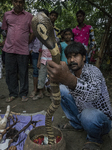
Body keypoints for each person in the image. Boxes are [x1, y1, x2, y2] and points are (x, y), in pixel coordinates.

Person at [47, 41, 112, 150]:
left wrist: (70, 80)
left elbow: (94, 94)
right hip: (83, 113)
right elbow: (52, 86)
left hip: (101, 119)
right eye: (69, 57)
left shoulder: (93, 71)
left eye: (75, 56)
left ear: (83, 57)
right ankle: (77, 124)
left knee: (89, 115)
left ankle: (94, 139)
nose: (72, 60)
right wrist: (50, 81)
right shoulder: (70, 72)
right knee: (61, 89)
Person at [1, 0, 34, 102]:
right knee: (10, 72)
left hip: (23, 50)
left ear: (23, 3)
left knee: (23, 72)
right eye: (16, 1)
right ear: (12, 2)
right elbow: (5, 30)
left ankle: (23, 93)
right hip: (9, 49)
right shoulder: (6, 15)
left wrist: (25, 43)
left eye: (20, 2)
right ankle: (13, 93)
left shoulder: (29, 16)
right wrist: (7, 41)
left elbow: (33, 33)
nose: (18, 4)